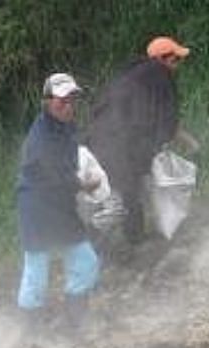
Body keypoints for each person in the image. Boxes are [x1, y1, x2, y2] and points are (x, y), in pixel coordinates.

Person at [85, 35, 199, 252]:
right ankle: (88, 244)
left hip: (98, 142)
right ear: (164, 59)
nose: (178, 65)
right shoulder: (159, 76)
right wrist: (191, 144)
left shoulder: (130, 74)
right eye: (176, 59)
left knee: (128, 193)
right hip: (118, 146)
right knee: (123, 200)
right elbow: (168, 121)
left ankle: (132, 240)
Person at [15, 72, 102, 334]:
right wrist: (83, 185)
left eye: (71, 100)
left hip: (60, 206)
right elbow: (54, 175)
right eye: (61, 100)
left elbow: (71, 158)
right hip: (37, 206)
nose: (67, 106)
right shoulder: (41, 137)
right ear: (47, 101)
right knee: (37, 272)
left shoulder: (65, 127)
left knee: (86, 261)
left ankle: (74, 324)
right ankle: (31, 334)